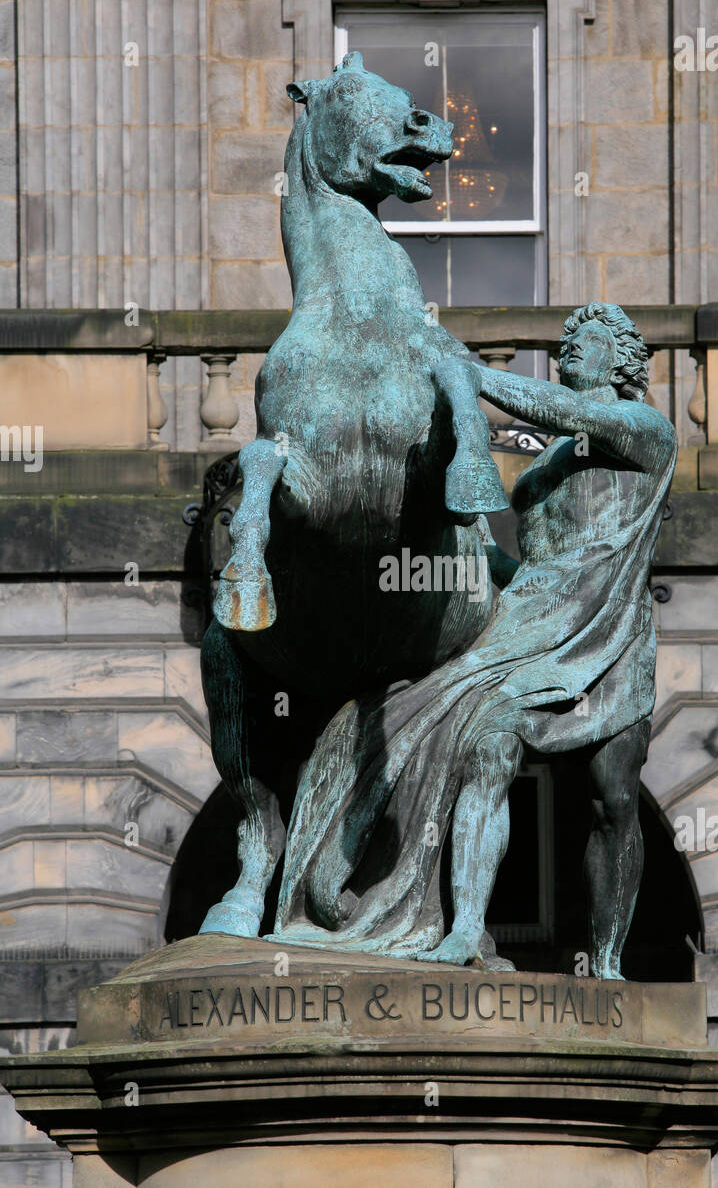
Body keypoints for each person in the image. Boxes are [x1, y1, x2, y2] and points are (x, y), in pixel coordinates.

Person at [271, 304, 677, 980]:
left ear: (625, 360)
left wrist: (471, 372)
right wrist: (478, 552)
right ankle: (461, 930)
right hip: (528, 625)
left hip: (607, 631)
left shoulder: (643, 431)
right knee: (484, 742)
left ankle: (606, 964)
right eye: (567, 340)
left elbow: (564, 412)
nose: (571, 348)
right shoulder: (545, 454)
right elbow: (533, 566)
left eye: (592, 340)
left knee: (614, 798)